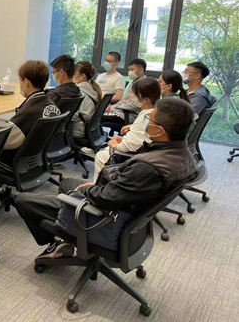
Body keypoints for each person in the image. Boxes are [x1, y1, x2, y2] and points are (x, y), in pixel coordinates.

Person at [15, 98, 197, 259]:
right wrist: (98, 185)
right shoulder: (184, 155)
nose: (145, 121)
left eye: (149, 119)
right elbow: (128, 187)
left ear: (159, 131)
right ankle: (63, 239)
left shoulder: (148, 168)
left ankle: (61, 239)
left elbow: (106, 198)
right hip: (128, 209)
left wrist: (87, 189)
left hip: (107, 221)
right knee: (67, 183)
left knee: (23, 201)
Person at [93, 77, 160, 181]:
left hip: (136, 159)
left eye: (135, 95)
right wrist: (126, 136)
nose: (132, 98)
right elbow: (142, 138)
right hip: (148, 155)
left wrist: (114, 145)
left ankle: (100, 187)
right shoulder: (156, 112)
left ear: (146, 99)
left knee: (102, 155)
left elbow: (128, 146)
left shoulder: (145, 117)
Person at [0, 60, 60, 165]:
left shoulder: (28, 113)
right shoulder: (52, 106)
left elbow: (6, 142)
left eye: (20, 80)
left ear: (26, 82)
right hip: (37, 160)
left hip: (16, 162)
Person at [102, 58, 147, 126]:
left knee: (98, 117)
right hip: (123, 112)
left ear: (141, 70)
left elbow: (134, 105)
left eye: (132, 69)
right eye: (129, 70)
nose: (130, 72)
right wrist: (113, 107)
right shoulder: (134, 82)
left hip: (129, 115)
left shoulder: (143, 85)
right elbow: (125, 100)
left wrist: (113, 108)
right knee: (98, 114)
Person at [72, 61, 102, 138]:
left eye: (73, 73)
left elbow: (73, 116)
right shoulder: (93, 89)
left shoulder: (78, 91)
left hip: (78, 130)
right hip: (90, 130)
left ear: (82, 76)